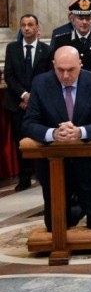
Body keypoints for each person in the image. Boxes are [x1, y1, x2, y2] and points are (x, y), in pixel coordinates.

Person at [22, 46, 91, 231]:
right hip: (54, 165)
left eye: (71, 70)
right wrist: (53, 134)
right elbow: (29, 123)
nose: (65, 76)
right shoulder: (40, 83)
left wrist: (80, 132)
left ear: (80, 65)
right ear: (53, 65)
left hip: (90, 163)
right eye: (60, 70)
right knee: (56, 227)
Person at [4, 14, 52, 191]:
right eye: (23, 25)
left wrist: (32, 98)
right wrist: (23, 95)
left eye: (30, 25)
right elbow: (9, 75)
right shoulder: (12, 48)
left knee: (40, 138)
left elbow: (47, 77)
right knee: (20, 140)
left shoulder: (46, 50)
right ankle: (24, 178)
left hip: (39, 103)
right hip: (17, 103)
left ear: (37, 27)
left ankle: (41, 173)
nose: (26, 28)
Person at [48, 0, 91, 88]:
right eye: (80, 18)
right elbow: (54, 66)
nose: (84, 22)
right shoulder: (62, 40)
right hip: (68, 87)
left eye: (88, 19)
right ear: (73, 20)